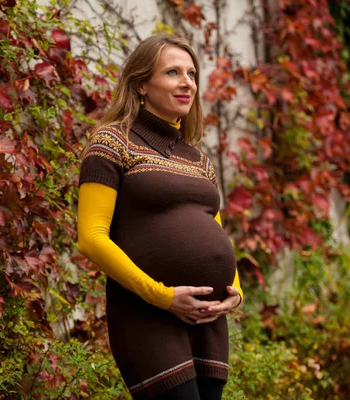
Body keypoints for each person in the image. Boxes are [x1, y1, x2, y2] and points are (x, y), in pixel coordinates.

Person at [77, 35, 243, 400]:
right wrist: (162, 297)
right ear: (141, 84)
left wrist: (237, 293)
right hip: (147, 312)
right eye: (172, 72)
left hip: (208, 317)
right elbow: (91, 236)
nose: (188, 83)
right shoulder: (112, 142)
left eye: (192, 74)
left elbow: (213, 230)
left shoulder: (197, 160)